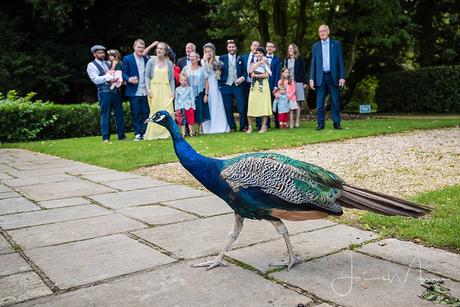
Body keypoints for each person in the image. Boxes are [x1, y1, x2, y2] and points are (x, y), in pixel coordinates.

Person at [86, 45, 126, 143]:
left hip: (115, 92)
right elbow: (95, 79)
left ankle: (121, 136)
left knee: (119, 114)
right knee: (105, 115)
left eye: (103, 52)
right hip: (104, 93)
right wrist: (107, 77)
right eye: (99, 53)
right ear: (94, 54)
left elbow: (117, 70)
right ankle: (105, 138)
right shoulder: (91, 65)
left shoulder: (109, 63)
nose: (102, 54)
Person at [309, 24, 345, 130]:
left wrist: (342, 77)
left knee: (335, 102)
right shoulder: (316, 46)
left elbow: (340, 62)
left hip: (333, 77)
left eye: (324, 31)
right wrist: (311, 78)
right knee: (319, 104)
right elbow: (313, 63)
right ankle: (320, 124)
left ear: (328, 32)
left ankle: (337, 123)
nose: (322, 33)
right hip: (320, 78)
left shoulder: (336, 44)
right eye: (320, 31)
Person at [144, 42, 175, 140]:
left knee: (167, 110)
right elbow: (147, 76)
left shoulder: (169, 63)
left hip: (166, 90)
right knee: (155, 111)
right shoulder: (151, 62)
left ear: (165, 51)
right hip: (154, 89)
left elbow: (171, 79)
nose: (159, 50)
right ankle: (154, 134)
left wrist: (173, 91)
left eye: (161, 49)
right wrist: (148, 88)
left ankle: (168, 133)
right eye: (158, 48)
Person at [122, 39, 150, 141]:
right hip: (134, 91)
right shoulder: (127, 59)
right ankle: (137, 133)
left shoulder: (146, 59)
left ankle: (144, 133)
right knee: (136, 113)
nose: (141, 49)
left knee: (146, 113)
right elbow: (123, 73)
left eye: (142, 47)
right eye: (139, 47)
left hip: (145, 91)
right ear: (134, 47)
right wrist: (129, 79)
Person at [218, 39, 247, 132]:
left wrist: (241, 78)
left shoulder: (240, 58)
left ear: (236, 48)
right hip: (226, 85)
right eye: (229, 47)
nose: (231, 48)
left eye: (233, 46)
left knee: (241, 107)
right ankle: (232, 127)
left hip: (237, 85)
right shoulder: (222, 58)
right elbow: (217, 72)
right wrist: (220, 85)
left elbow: (245, 72)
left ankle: (243, 126)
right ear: (227, 48)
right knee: (228, 107)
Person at [201, 42, 230, 134]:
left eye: (209, 51)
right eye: (206, 51)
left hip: (215, 84)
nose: (208, 53)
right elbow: (204, 74)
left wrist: (214, 64)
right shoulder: (202, 61)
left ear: (213, 51)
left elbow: (219, 73)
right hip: (207, 84)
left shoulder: (217, 59)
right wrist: (205, 62)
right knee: (209, 104)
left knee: (217, 103)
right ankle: (209, 126)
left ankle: (219, 125)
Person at [182, 51, 210, 135]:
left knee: (199, 111)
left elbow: (206, 82)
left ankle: (200, 129)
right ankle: (191, 130)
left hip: (199, 93)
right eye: (191, 56)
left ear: (198, 58)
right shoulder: (186, 68)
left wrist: (206, 94)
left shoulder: (201, 69)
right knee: (190, 112)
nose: (192, 58)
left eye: (194, 56)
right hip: (188, 94)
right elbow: (181, 79)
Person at [246, 47, 272, 133]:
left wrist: (256, 76)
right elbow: (250, 71)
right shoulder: (252, 63)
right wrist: (259, 62)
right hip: (254, 87)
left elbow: (267, 75)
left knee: (263, 104)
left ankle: (263, 126)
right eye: (257, 53)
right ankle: (250, 127)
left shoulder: (267, 63)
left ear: (264, 54)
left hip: (264, 85)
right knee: (252, 104)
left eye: (261, 53)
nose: (259, 54)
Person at [283, 43, 308, 128]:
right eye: (289, 48)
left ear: (295, 50)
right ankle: (290, 121)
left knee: (297, 102)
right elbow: (284, 71)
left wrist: (305, 82)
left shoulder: (299, 59)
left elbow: (303, 71)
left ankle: (297, 121)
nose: (290, 50)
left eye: (292, 48)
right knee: (289, 101)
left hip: (298, 82)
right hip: (289, 83)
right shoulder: (286, 60)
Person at [175, 73, 196, 137]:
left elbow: (192, 98)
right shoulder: (177, 89)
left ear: (187, 81)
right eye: (182, 80)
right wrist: (176, 108)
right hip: (181, 107)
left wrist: (193, 106)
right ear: (179, 81)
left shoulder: (190, 89)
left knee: (190, 120)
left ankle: (191, 132)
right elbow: (176, 99)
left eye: (185, 80)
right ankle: (183, 133)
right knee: (182, 121)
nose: (183, 82)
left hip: (188, 106)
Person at [265, 41, 281, 129]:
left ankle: (277, 124)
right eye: (268, 46)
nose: (269, 48)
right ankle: (266, 124)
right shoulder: (262, 58)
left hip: (273, 85)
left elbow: (278, 73)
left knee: (275, 105)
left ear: (274, 49)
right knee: (266, 104)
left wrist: (276, 86)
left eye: (271, 47)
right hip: (264, 85)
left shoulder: (277, 59)